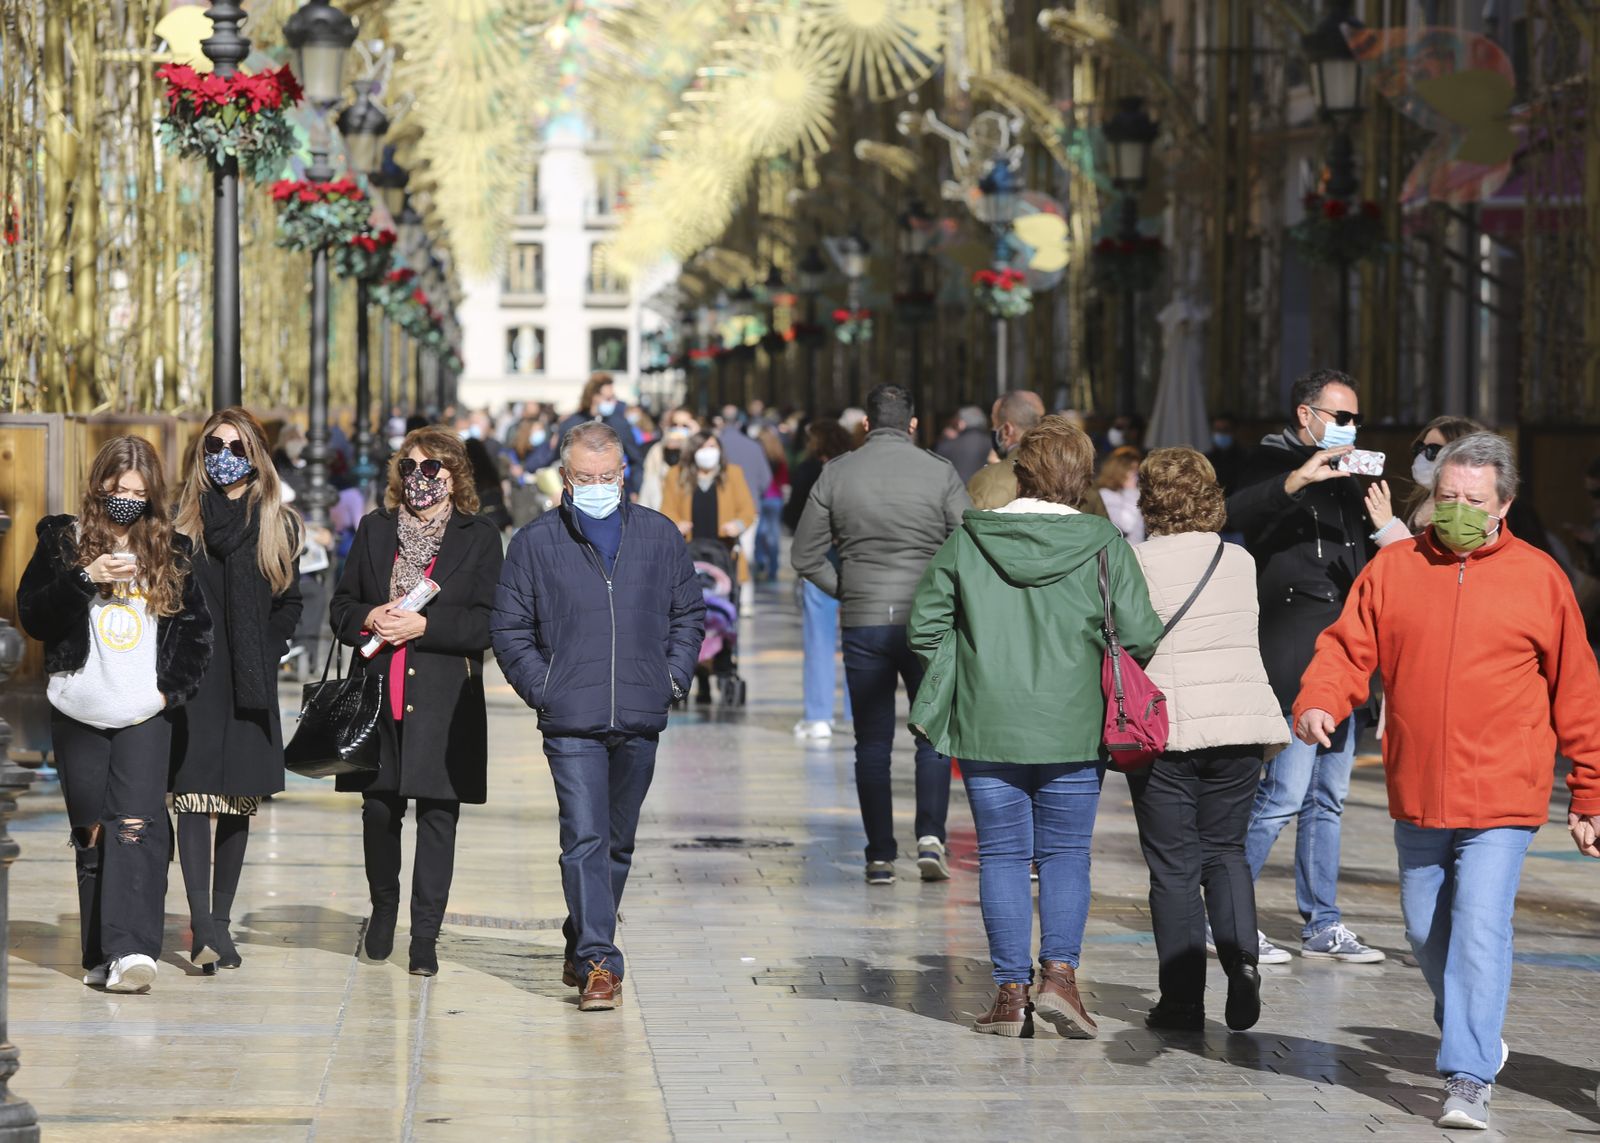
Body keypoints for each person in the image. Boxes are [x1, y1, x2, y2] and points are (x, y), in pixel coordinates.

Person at [1292, 432, 1600, 1131]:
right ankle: (1474, 1025)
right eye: (1447, 497)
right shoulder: (1395, 568)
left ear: (1505, 504)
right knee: (1427, 931)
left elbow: (1579, 692)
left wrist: (1591, 791)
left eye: (1474, 500)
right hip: (1419, 794)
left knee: (1480, 929)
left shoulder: (1540, 577)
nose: (1456, 510)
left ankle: (1466, 1075)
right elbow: (1347, 646)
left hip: (1505, 796)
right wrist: (1319, 699)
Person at [907, 415, 1163, 1037]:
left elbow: (922, 628)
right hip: (1075, 724)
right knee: (1066, 855)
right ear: (1079, 480)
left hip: (987, 721)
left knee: (1001, 855)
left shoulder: (971, 539)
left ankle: (1009, 993)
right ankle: (1061, 981)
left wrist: (970, 668)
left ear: (1020, 472)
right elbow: (1140, 634)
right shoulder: (1104, 544)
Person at [491, 422, 705, 1011]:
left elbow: (688, 614)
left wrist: (671, 677)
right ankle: (598, 962)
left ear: (623, 475)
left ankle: (581, 933)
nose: (596, 486)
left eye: (606, 477)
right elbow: (509, 629)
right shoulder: (535, 542)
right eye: (585, 478)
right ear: (565, 476)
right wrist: (546, 689)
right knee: (583, 838)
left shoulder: (659, 536)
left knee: (618, 842)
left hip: (639, 710)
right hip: (571, 720)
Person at [17, 436, 212, 993]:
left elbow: (198, 636)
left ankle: (133, 951)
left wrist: (164, 696)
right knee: (93, 832)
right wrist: (87, 577)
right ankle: (101, 952)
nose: (125, 499)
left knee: (135, 825)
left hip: (142, 712)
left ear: (152, 496)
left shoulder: (170, 550)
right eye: (116, 489)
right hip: (78, 707)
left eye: (137, 492)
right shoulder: (62, 541)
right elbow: (34, 615)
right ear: (99, 485)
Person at [1126, 448, 1290, 1032]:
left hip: (1167, 729)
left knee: (1173, 868)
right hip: (1242, 725)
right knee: (1225, 852)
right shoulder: (1238, 559)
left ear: (1149, 500)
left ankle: (1181, 1002)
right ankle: (1242, 961)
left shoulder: (1133, 562)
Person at [329, 427, 503, 978]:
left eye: (431, 470)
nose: (419, 480)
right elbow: (339, 606)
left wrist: (425, 626)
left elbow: (487, 622)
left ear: (454, 477)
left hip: (444, 698)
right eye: (410, 468)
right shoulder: (375, 531)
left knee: (438, 815)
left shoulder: (479, 537)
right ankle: (384, 906)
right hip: (379, 692)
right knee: (379, 809)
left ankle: (425, 934)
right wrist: (367, 617)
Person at [1224, 368, 1383, 964]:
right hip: (1292, 643)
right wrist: (1296, 479)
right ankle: (1227, 915)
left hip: (1347, 646)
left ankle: (1323, 921)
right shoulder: (1268, 464)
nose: (1349, 428)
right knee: (1283, 793)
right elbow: (1228, 512)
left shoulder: (1352, 478)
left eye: (1355, 420)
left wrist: (1385, 518)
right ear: (1306, 415)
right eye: (1340, 417)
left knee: (1329, 797)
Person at [792, 384, 969, 884]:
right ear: (913, 425)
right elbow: (969, 540)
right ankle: (931, 838)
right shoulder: (939, 473)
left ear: (866, 425)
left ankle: (880, 854)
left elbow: (805, 555)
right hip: (926, 621)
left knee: (871, 741)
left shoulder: (836, 473)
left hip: (865, 618)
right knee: (933, 733)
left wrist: (846, 588)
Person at [169, 408, 304, 972]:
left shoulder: (279, 523)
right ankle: (202, 924)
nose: (223, 455)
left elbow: (290, 604)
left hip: (249, 682)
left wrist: (266, 651)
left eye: (235, 445)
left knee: (238, 802)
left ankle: (221, 924)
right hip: (197, 680)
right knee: (195, 800)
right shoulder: (183, 523)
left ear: (257, 454)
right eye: (213, 445)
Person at [786, 420, 855, 740]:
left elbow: (793, 513)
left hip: (818, 562)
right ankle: (858, 711)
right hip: (856, 561)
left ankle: (819, 715)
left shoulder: (810, 471)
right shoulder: (857, 467)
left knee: (819, 640)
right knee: (858, 640)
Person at [659, 431, 757, 587]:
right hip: (689, 549)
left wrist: (737, 525)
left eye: (712, 446)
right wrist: (677, 524)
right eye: (702, 447)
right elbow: (667, 509)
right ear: (693, 451)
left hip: (723, 550)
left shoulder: (733, 473)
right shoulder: (676, 474)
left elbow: (747, 510)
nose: (708, 451)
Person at [716, 407, 772, 609]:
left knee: (719, 552)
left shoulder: (716, 446)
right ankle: (746, 601)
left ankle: (721, 594)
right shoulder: (754, 446)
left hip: (720, 509)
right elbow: (766, 479)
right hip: (750, 509)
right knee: (746, 554)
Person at [557, 373, 644, 497]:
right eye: (608, 398)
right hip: (580, 492)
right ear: (593, 396)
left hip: (614, 493)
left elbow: (636, 459)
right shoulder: (571, 424)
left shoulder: (619, 424)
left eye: (613, 397)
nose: (613, 402)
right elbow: (555, 457)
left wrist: (635, 489)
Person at [967, 390, 1045, 510]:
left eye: (995, 424)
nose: (993, 429)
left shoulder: (986, 480)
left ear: (1007, 430)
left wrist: (995, 470)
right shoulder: (1073, 473)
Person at [638, 410, 698, 511]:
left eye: (685, 425)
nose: (679, 429)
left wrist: (695, 438)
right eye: (675, 424)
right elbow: (649, 482)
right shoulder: (657, 450)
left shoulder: (697, 450)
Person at [752, 426, 789, 582]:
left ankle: (760, 561)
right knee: (773, 535)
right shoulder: (779, 457)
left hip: (761, 497)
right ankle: (773, 568)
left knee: (759, 533)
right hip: (775, 498)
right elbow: (785, 479)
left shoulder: (757, 456)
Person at [1096, 446, 1146, 543]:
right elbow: (1127, 525)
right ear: (1120, 470)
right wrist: (1132, 492)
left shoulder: (1126, 493)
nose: (1135, 476)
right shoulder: (1106, 494)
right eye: (1133, 471)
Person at [935, 406, 994, 484]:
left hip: (957, 492)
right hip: (983, 491)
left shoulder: (949, 445)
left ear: (961, 424)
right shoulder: (993, 444)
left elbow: (936, 465)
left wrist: (944, 440)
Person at [1205, 414, 1249, 494]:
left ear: (1235, 432)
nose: (1221, 434)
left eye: (1225, 430)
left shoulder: (1246, 459)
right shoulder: (1206, 460)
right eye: (1217, 430)